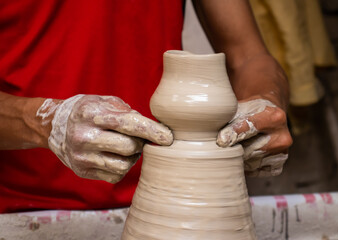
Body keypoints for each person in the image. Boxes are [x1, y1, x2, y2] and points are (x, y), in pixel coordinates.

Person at [0, 0, 292, 213]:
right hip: (23, 208)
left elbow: (249, 57)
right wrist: (47, 122)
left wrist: (265, 101)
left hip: (171, 201)